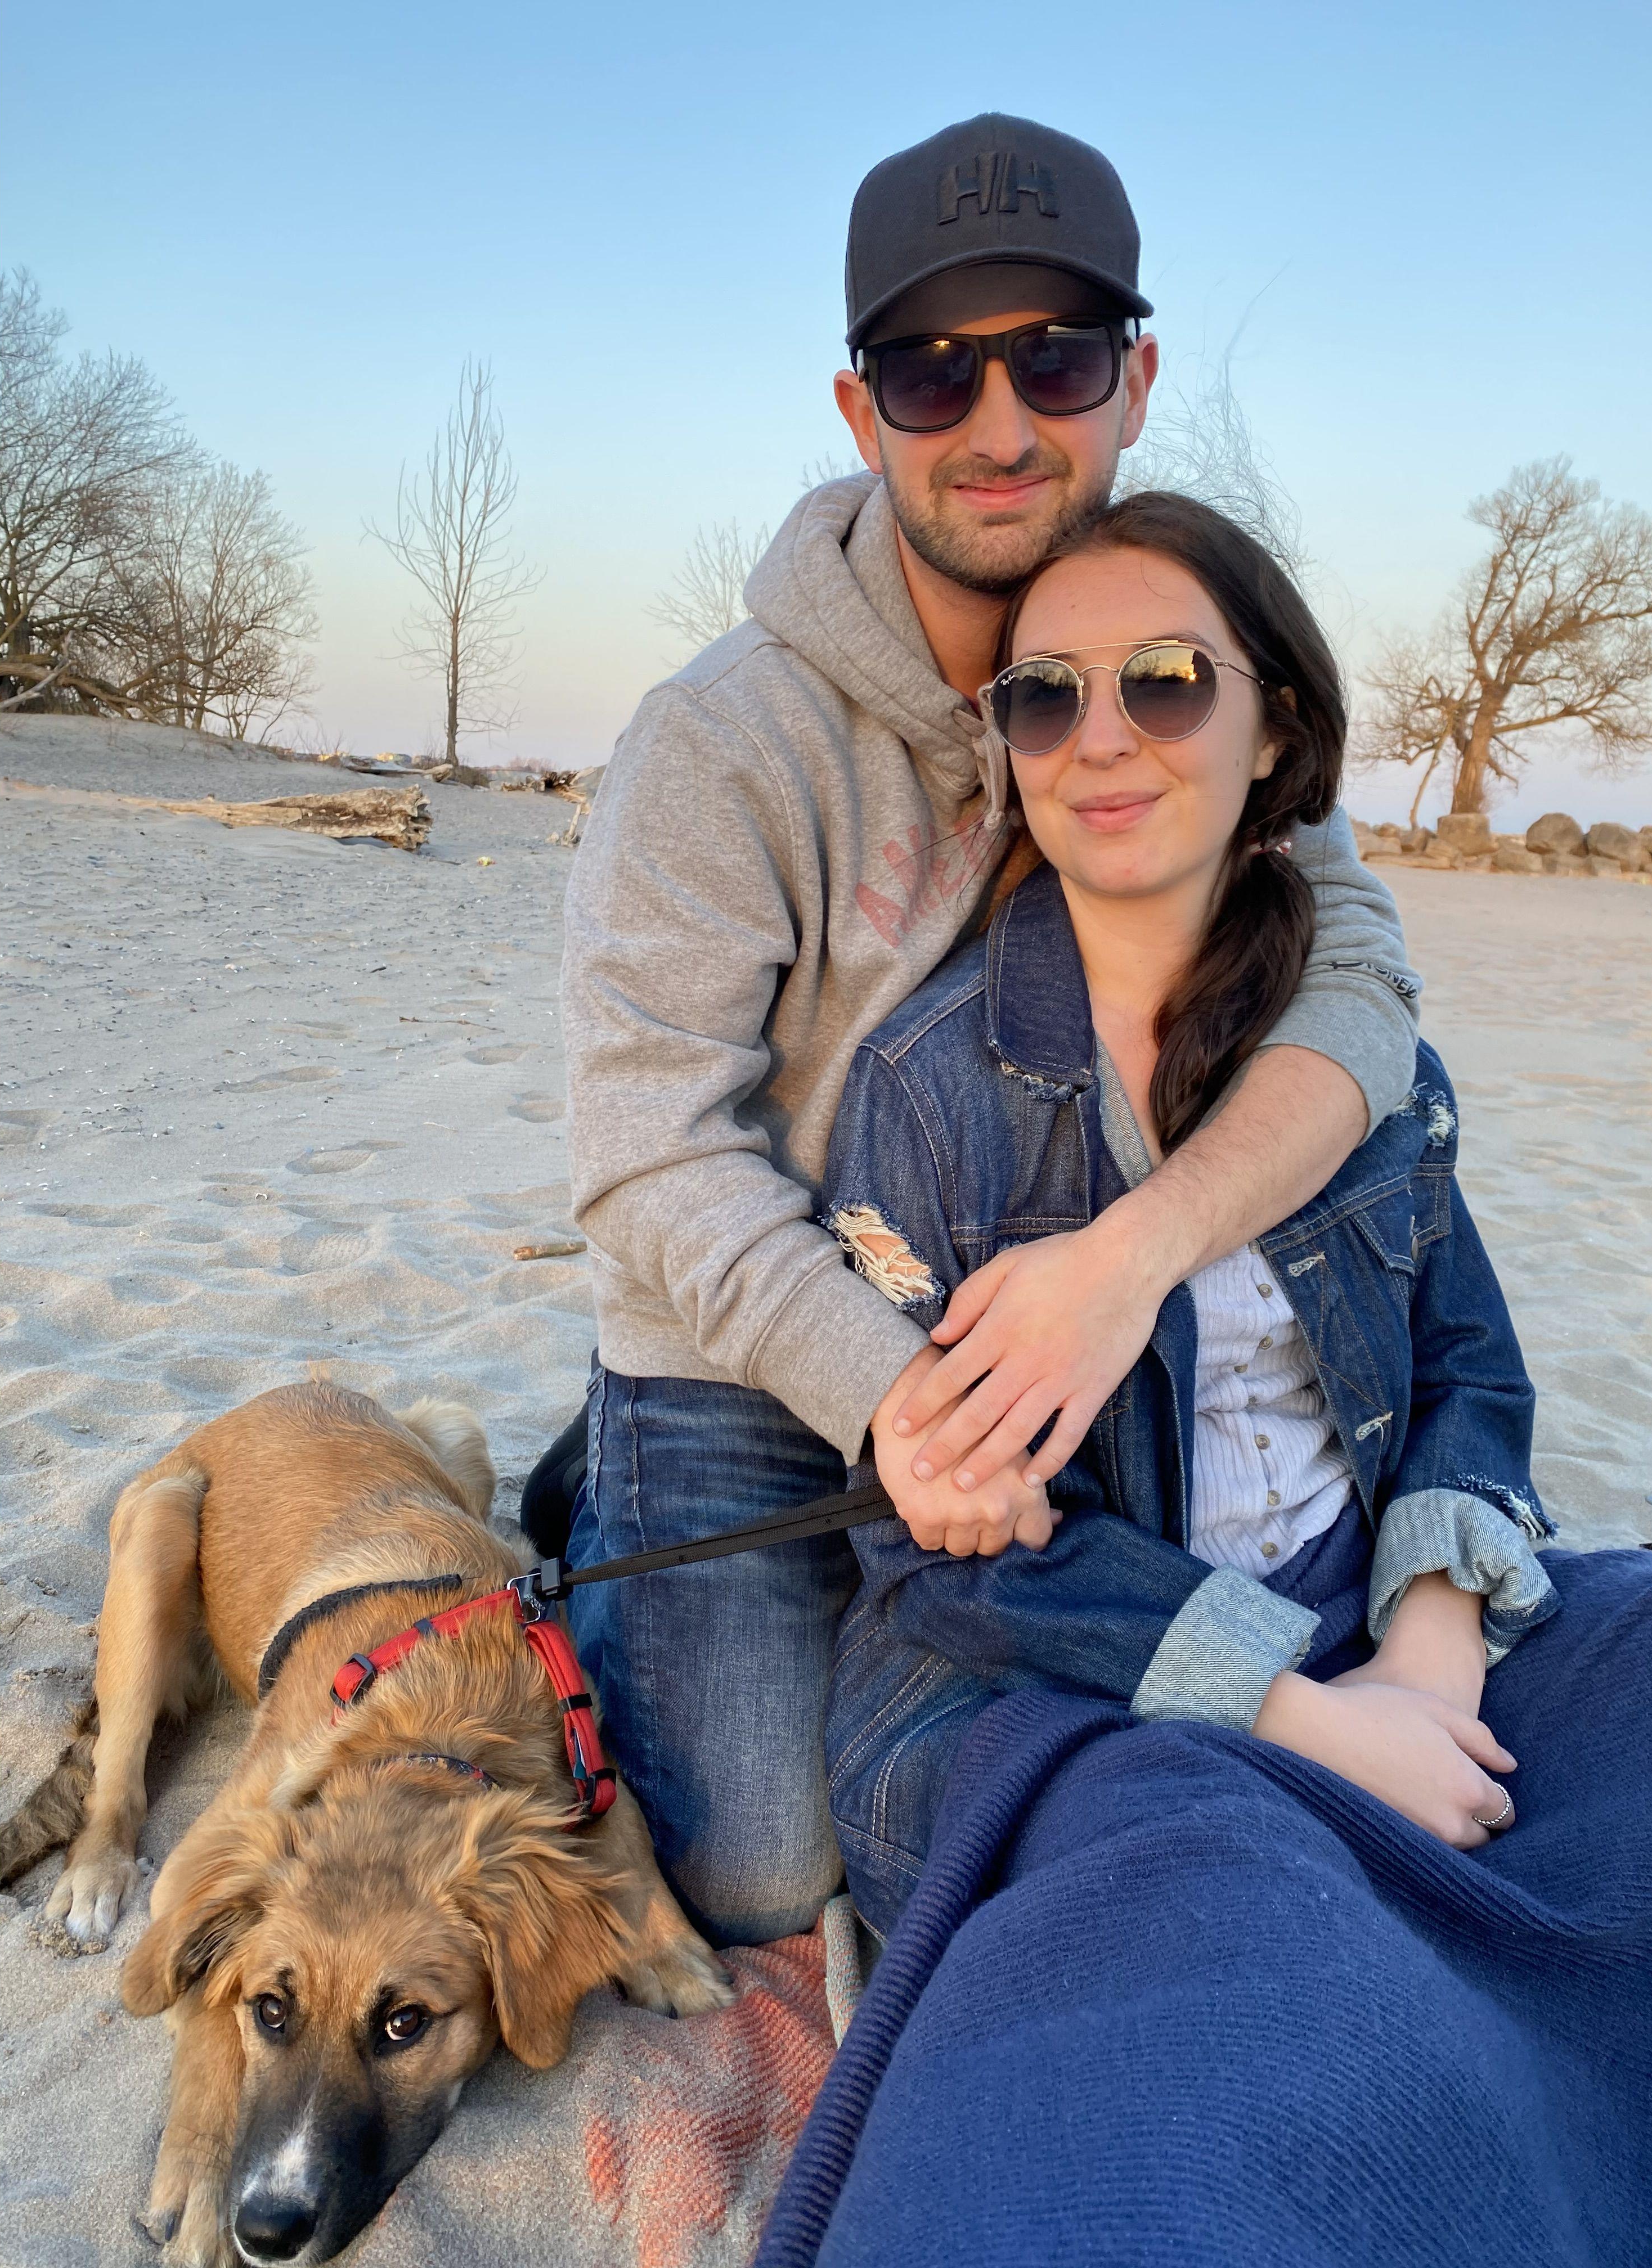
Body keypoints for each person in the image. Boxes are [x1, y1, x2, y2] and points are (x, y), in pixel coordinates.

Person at [762, 490, 1652, 2267]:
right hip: (1060, 1686)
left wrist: (1432, 1634)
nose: (1101, 735)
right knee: (1224, 1957)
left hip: (1371, 1605)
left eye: (1167, 681)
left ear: (1275, 728)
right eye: (1045, 695)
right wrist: (1306, 1716)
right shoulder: (929, 1096)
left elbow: (1466, 1357)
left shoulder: (1354, 1046)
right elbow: (948, 1551)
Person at [560, 115, 1425, 1945]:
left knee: (1117, 1691)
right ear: (861, 412)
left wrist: (1131, 1261)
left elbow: (1360, 982)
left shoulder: (1174, 660)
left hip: (1041, 1304)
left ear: (1137, 383)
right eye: (933, 372)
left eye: (1057, 357)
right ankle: (603, 1498)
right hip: (749, 1356)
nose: (1001, 421)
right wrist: (898, 1408)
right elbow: (646, 1155)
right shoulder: (721, 741)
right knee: (760, 1867)